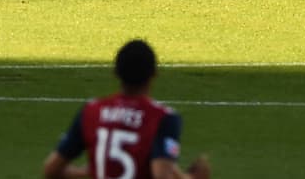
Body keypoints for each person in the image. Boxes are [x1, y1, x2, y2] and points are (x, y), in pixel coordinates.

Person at [41, 40, 209, 179]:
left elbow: (51, 169)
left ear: (115, 73)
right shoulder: (163, 118)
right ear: (154, 74)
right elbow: (161, 175)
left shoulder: (91, 112)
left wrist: (96, 172)